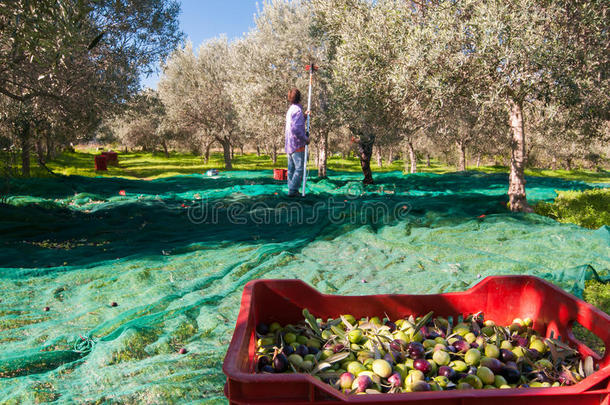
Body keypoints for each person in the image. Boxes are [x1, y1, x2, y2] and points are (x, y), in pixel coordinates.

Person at [284, 88, 309, 197]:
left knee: (291, 169)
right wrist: (305, 139)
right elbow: (296, 129)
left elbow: (294, 124)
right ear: (300, 98)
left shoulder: (291, 110)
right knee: (299, 168)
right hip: (297, 144)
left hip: (289, 144)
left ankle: (291, 188)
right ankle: (293, 190)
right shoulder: (297, 110)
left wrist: (304, 117)